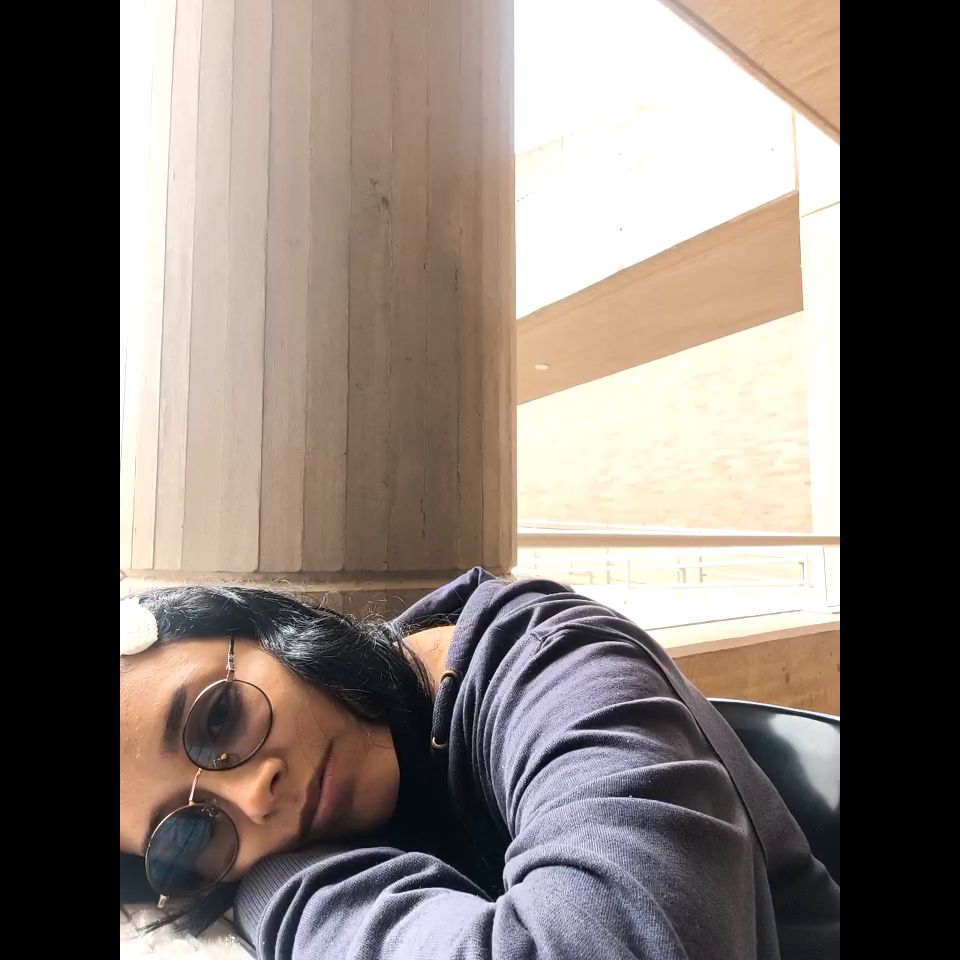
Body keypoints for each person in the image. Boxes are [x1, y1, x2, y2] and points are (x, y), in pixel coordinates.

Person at [120, 568, 840, 959]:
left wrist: (284, 887)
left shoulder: (554, 659)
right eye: (188, 832)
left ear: (264, 627)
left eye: (218, 717)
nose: (253, 798)